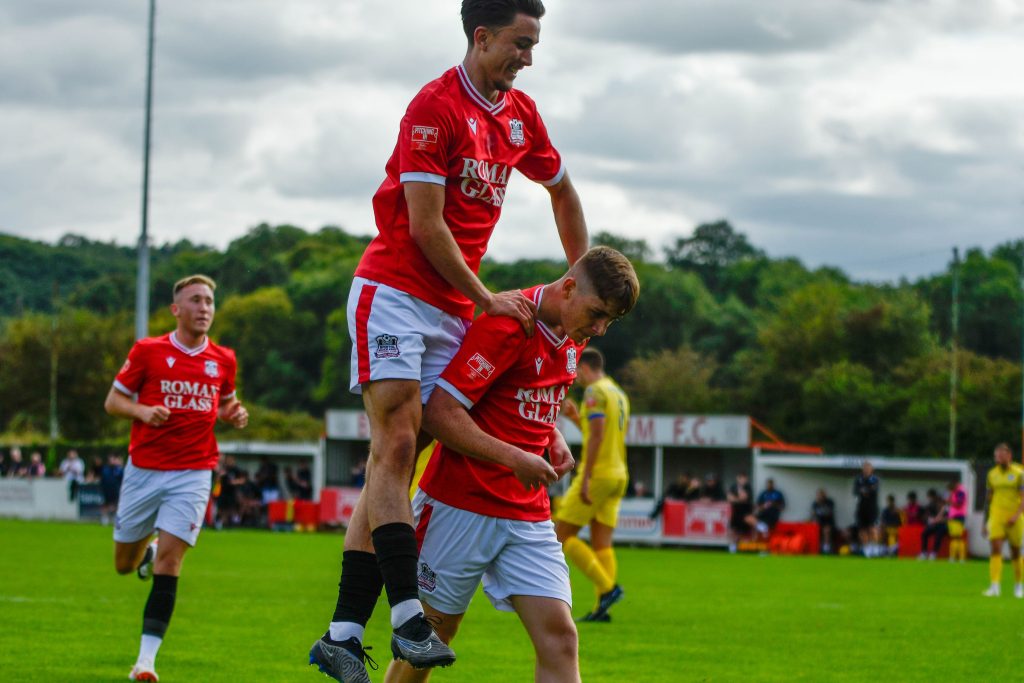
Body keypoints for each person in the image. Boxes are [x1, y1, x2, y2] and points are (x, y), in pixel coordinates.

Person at [308, 1, 590, 679]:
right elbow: (427, 226)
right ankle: (406, 614)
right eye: (519, 43)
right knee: (398, 443)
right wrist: (485, 297)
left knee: (402, 457)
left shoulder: (521, 115)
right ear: (481, 35)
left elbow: (562, 190)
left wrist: (580, 283)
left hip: (453, 304)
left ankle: (345, 631)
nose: (528, 57)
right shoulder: (433, 107)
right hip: (399, 293)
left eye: (535, 45)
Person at [385, 246, 638, 683]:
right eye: (597, 313)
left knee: (561, 637)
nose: (599, 329)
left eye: (610, 322)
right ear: (569, 286)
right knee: (429, 643)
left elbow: (521, 396)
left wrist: (551, 437)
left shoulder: (573, 340)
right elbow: (441, 413)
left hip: (526, 512)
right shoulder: (508, 324)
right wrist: (515, 456)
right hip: (459, 505)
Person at [103, 274, 248, 681]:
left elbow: (227, 404)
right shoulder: (148, 351)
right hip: (144, 471)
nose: (204, 308)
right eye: (196, 300)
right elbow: (113, 401)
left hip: (194, 472)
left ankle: (145, 662)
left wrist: (234, 414)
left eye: (209, 302)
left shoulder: (224, 358)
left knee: (172, 560)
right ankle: (142, 553)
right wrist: (142, 412)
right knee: (122, 563)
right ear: (176, 309)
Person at [553, 346, 630, 623]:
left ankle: (608, 589)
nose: (578, 378)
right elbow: (604, 433)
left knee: (560, 536)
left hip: (597, 473)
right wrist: (576, 418)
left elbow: (596, 439)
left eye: (577, 373)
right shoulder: (617, 393)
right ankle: (602, 606)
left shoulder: (594, 392)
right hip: (618, 473)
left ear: (585, 368)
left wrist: (585, 478)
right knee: (602, 543)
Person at [982, 443, 1024, 598]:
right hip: (997, 515)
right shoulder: (992, 474)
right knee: (995, 548)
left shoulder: (1019, 473)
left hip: (1015, 516)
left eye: (1000, 455)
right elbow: (988, 498)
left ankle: (1019, 586)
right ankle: (994, 586)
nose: (997, 458)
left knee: (1015, 552)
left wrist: (1017, 514)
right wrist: (985, 521)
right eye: (996, 455)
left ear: (1009, 456)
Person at [853, 461, 881, 557]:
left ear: (871, 469)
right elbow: (856, 491)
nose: (866, 470)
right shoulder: (858, 479)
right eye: (865, 468)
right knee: (862, 529)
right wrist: (863, 491)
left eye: (868, 468)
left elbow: (873, 490)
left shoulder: (875, 479)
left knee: (873, 529)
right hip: (861, 508)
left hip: (872, 508)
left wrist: (864, 490)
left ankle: (875, 548)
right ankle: (867, 548)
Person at [746, 479, 786, 544]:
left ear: (773, 485)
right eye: (768, 484)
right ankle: (759, 533)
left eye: (770, 484)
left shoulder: (778, 494)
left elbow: (782, 506)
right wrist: (764, 506)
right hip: (763, 514)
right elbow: (757, 506)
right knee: (749, 518)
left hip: (772, 515)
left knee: (764, 529)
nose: (769, 486)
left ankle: (765, 544)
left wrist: (773, 504)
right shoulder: (763, 493)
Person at [727, 473, 754, 553]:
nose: (742, 480)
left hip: (745, 511)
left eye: (744, 478)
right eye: (740, 478)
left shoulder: (748, 487)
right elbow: (729, 498)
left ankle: (747, 547)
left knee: (745, 531)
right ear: (737, 478)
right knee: (733, 530)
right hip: (736, 511)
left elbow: (744, 497)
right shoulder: (733, 487)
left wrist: (738, 497)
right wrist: (738, 499)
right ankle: (733, 547)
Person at [918, 489, 947, 560]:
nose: (939, 504)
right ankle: (923, 553)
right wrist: (929, 519)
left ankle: (934, 553)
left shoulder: (946, 508)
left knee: (938, 534)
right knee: (924, 533)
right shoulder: (931, 506)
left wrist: (940, 520)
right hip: (934, 525)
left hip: (943, 526)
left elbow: (948, 519)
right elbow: (926, 516)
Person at [946, 479, 968, 563]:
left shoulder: (960, 492)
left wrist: (949, 502)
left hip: (958, 516)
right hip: (953, 516)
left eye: (951, 489)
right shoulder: (955, 492)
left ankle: (960, 558)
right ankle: (954, 557)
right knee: (954, 537)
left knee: (957, 537)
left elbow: (959, 504)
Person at [100, 454, 125, 526]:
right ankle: (104, 520)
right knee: (105, 505)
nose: (113, 461)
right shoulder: (105, 469)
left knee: (117, 506)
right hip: (106, 490)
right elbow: (103, 479)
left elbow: (122, 477)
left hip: (116, 490)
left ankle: (116, 521)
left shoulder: (119, 469)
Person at [810, 488, 836, 555]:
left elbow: (829, 512)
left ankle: (826, 548)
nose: (820, 496)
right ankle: (816, 548)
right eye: (819, 495)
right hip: (819, 523)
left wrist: (822, 512)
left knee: (826, 530)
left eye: (822, 494)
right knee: (813, 530)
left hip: (828, 522)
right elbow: (813, 514)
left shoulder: (829, 502)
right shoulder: (815, 504)